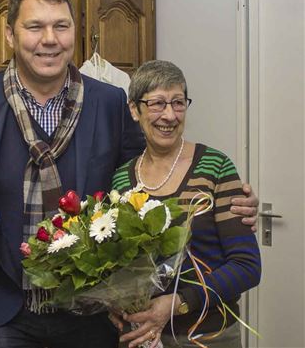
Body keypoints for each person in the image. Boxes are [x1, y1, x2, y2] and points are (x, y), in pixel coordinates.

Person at [0, 0, 259, 348]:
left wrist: (228, 200)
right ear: (11, 34)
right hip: (4, 311)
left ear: (75, 32)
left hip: (93, 313)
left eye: (61, 26)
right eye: (35, 26)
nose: (49, 39)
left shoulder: (111, 102)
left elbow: (150, 183)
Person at [110, 60, 261, 348]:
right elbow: (119, 265)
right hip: (141, 337)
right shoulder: (121, 180)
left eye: (178, 103)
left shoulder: (215, 167)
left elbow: (247, 266)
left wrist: (179, 303)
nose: (169, 115)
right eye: (157, 104)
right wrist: (115, 305)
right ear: (134, 109)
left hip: (208, 336)